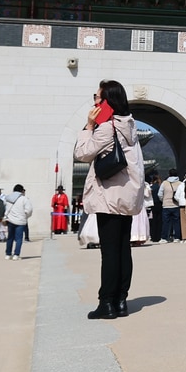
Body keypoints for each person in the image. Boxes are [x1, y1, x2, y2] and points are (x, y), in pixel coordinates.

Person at [74, 80, 145, 319]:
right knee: (123, 249)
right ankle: (121, 301)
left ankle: (106, 302)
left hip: (109, 198)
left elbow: (82, 153)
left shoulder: (106, 128)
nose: (94, 102)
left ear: (107, 102)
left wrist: (89, 125)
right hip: (125, 198)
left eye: (97, 97)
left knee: (110, 252)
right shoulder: (130, 126)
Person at [3, 185, 34, 260]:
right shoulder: (24, 199)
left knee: (10, 238)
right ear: (21, 191)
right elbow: (29, 210)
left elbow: (6, 208)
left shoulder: (8, 198)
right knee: (19, 239)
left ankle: (8, 254)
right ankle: (16, 255)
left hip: (10, 220)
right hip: (20, 221)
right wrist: (25, 216)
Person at [159, 171, 182, 242]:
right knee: (177, 222)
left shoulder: (164, 183)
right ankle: (177, 237)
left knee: (165, 222)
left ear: (169, 174)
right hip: (176, 205)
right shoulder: (180, 183)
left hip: (166, 205)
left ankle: (164, 237)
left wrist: (163, 200)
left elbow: (160, 194)